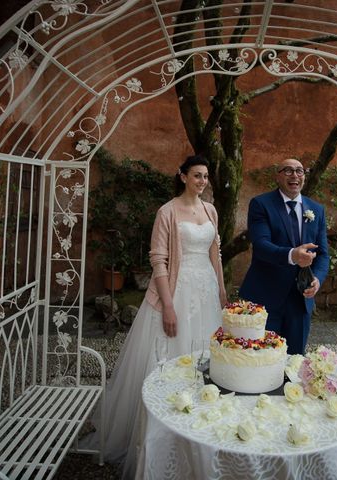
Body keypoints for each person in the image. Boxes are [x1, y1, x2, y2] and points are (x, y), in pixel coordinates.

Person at [85, 154, 226, 478]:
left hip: (206, 292)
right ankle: (163, 432)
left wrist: (220, 289)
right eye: (196, 176)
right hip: (177, 292)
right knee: (170, 359)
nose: (202, 181)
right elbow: (158, 260)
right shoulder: (167, 212)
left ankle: (201, 424)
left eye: (205, 176)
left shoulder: (210, 210)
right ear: (182, 177)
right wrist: (169, 305)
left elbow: (214, 253)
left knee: (205, 356)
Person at [239, 157, 329, 355]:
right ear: (277, 176)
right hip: (265, 297)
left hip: (301, 299)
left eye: (299, 170)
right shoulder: (261, 204)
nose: (294, 175)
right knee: (259, 358)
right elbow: (261, 246)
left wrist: (317, 279)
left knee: (294, 361)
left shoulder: (317, 210)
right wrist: (292, 255)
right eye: (288, 170)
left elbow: (323, 254)